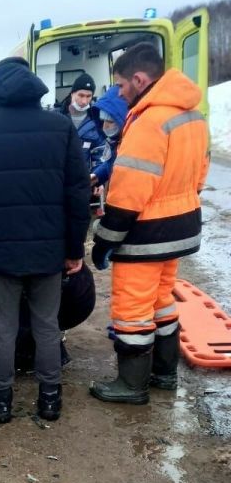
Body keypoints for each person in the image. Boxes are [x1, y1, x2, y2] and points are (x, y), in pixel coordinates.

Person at [0, 57, 90, 423]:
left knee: (3, 328)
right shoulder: (61, 128)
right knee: (47, 325)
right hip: (49, 251)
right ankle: (49, 402)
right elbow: (78, 194)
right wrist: (75, 249)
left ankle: (0, 403)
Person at [90, 43, 209, 403]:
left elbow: (128, 194)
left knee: (132, 310)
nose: (120, 94)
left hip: (145, 234)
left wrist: (105, 240)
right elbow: (199, 174)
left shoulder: (148, 122)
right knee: (161, 301)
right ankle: (163, 374)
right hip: (181, 226)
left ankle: (131, 385)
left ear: (140, 79)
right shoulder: (193, 116)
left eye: (122, 86)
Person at [58, 72, 112, 186]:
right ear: (72, 93)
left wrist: (98, 181)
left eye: (88, 96)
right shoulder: (56, 117)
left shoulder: (96, 120)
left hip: (82, 182)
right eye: (81, 95)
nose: (84, 101)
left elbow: (100, 154)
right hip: (58, 180)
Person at [90, 85, 128, 186]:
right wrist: (96, 176)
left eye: (110, 121)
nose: (104, 126)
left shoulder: (132, 143)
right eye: (102, 121)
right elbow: (112, 163)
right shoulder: (115, 141)